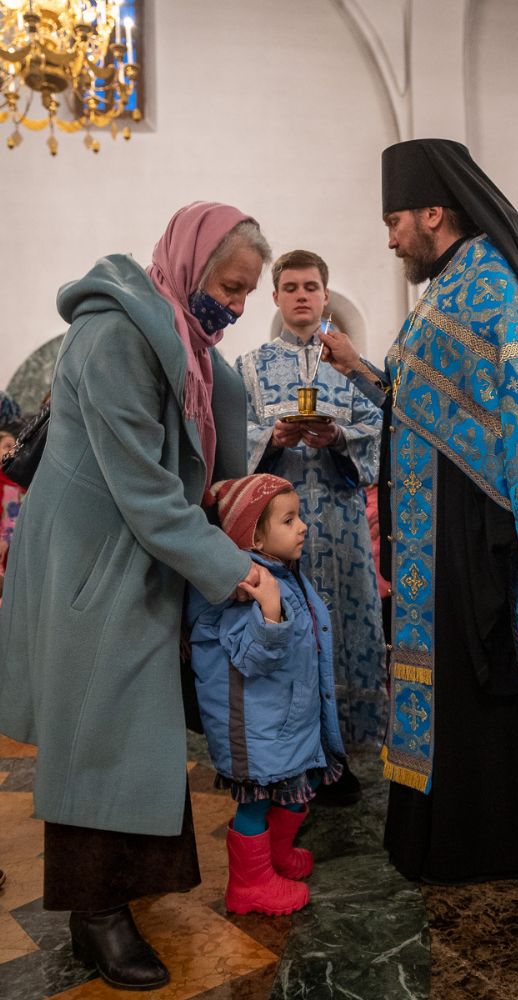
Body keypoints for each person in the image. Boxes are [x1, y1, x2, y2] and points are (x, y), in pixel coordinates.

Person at [320, 138, 518, 885]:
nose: (390, 240)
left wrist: (506, 528)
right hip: (432, 526)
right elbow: (419, 400)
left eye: (394, 222)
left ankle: (483, 843)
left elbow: (513, 421)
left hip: (470, 527)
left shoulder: (489, 286)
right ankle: (433, 838)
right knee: (438, 679)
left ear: (433, 213)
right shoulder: (448, 286)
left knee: (471, 682)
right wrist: (360, 370)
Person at [0, 202, 272, 990]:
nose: (236, 307)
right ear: (189, 265)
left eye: (246, 292)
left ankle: (129, 886)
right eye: (230, 287)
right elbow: (147, 489)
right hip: (90, 558)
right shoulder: (116, 335)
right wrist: (233, 569)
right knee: (98, 729)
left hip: (137, 555)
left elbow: (204, 463)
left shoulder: (190, 348)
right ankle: (95, 915)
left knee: (133, 728)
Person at [235, 249, 385, 788]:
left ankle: (342, 756)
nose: (302, 295)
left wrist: (340, 436)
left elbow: (380, 430)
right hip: (274, 535)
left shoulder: (350, 366)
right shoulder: (249, 367)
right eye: (292, 287)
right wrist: (271, 439)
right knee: (286, 633)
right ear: (276, 296)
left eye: (311, 287)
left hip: (343, 527)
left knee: (345, 631)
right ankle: (290, 757)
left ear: (325, 295)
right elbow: (232, 439)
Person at [187, 473, 345, 915]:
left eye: (300, 517)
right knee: (255, 804)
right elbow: (250, 659)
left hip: (285, 719)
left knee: (304, 783)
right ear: (254, 537)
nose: (303, 527)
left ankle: (275, 856)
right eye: (288, 520)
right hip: (254, 728)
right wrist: (270, 610)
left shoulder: (280, 573)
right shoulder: (243, 587)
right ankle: (249, 884)